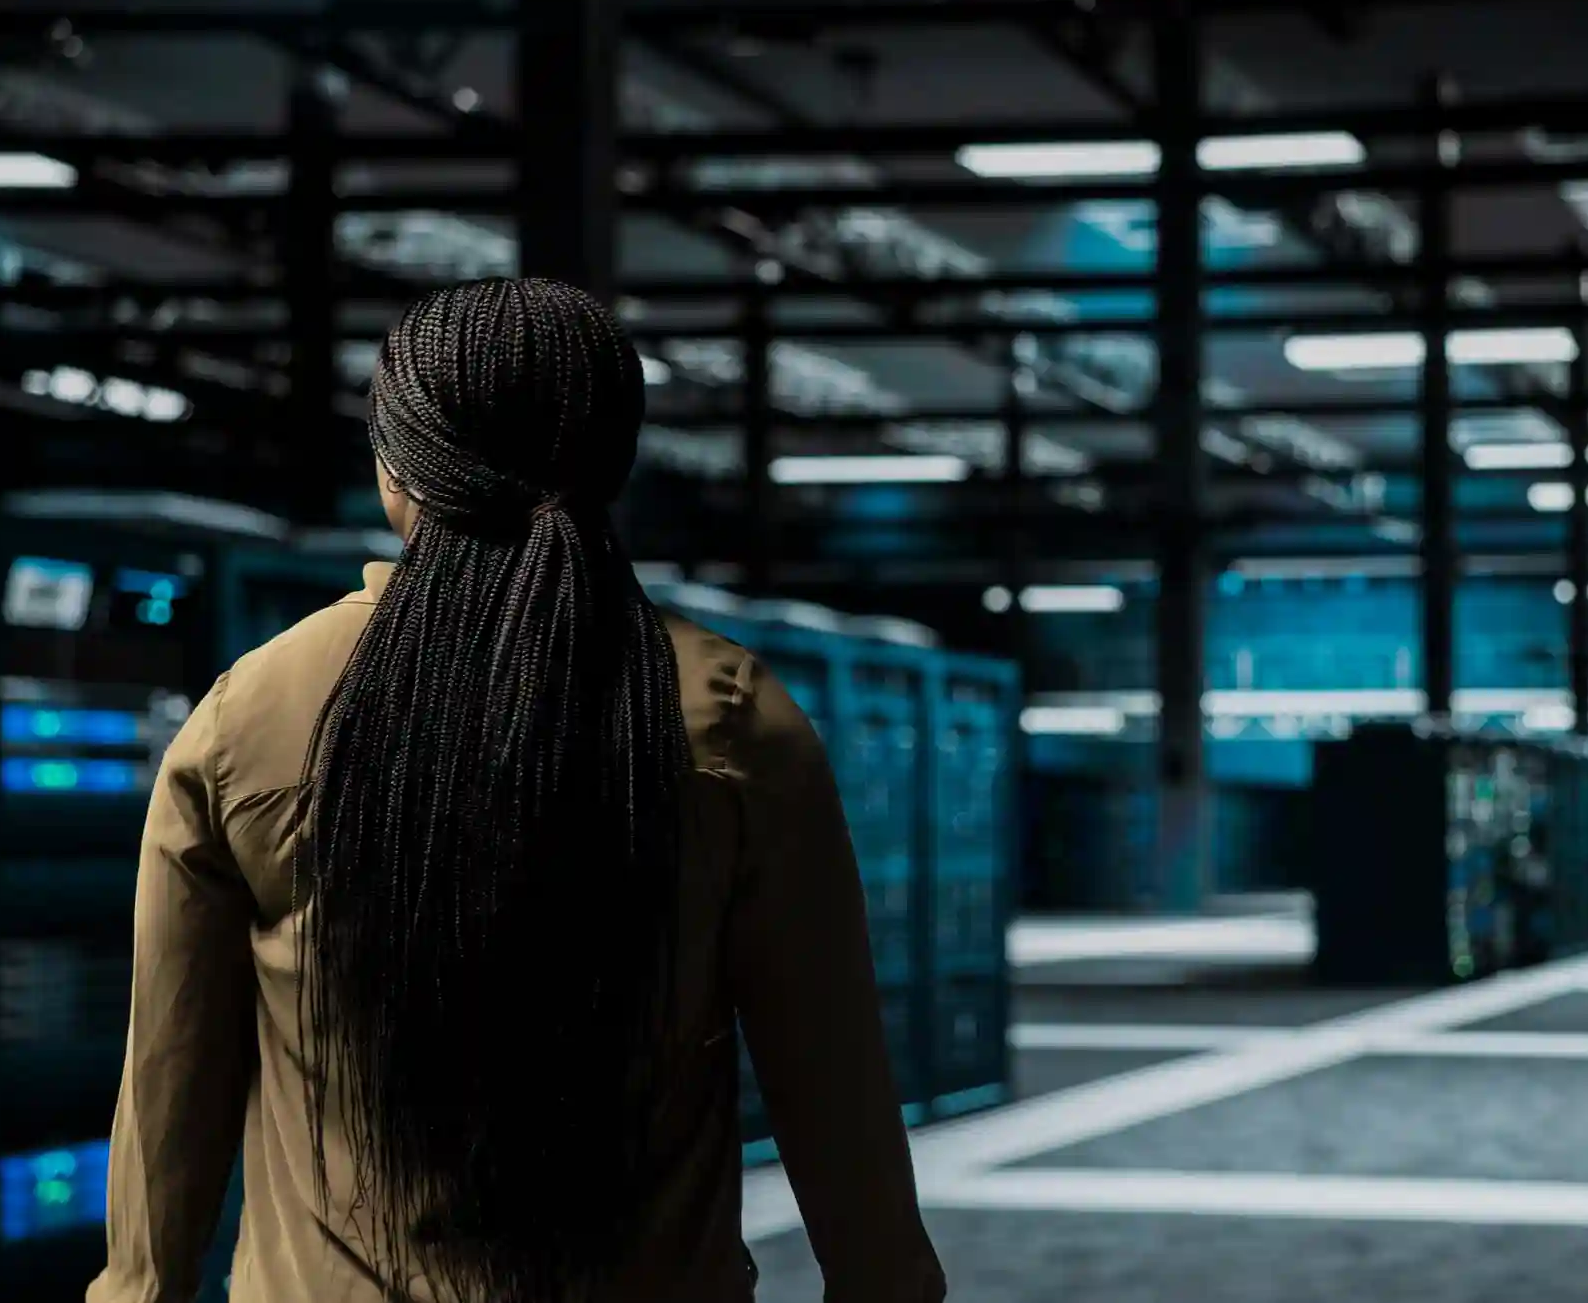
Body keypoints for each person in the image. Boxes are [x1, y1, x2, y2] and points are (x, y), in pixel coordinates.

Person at [88, 278, 946, 1303]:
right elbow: (831, 1077)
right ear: (612, 463)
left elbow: (170, 1070)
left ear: (393, 471)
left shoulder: (253, 711)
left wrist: (141, 1288)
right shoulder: (727, 714)